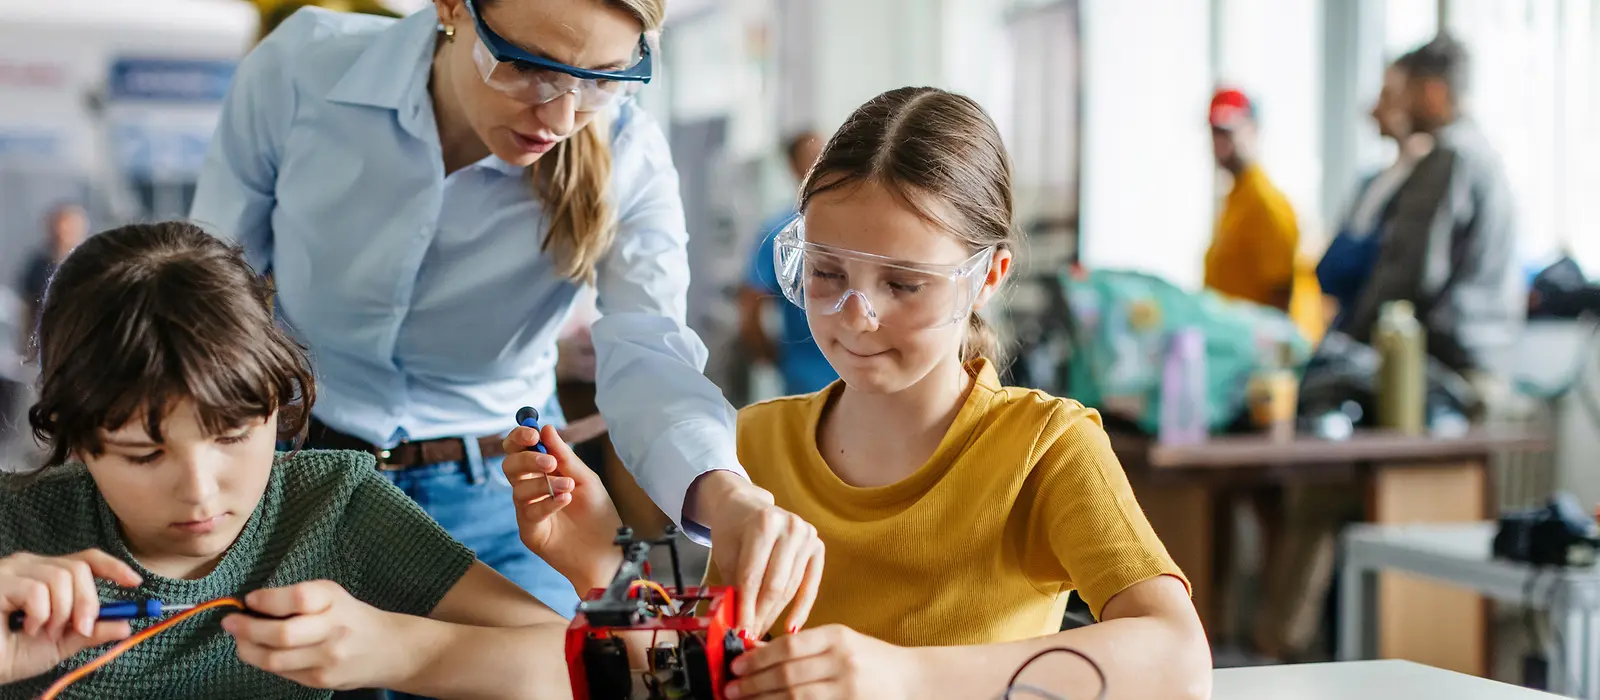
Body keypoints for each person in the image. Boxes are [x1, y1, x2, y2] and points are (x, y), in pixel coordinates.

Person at [507, 87, 1212, 700]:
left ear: (988, 278)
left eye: (903, 284)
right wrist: (600, 566)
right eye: (825, 273)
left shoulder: (1045, 447)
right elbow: (714, 675)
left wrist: (905, 680)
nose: (855, 314)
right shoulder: (752, 444)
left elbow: (1178, 661)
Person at [189, 0, 822, 635]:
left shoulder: (627, 149)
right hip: (299, 477)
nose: (561, 116)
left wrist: (727, 494)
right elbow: (207, 291)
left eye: (602, 78)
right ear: (450, 9)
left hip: (512, 498)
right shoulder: (304, 68)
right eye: (526, 65)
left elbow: (650, 351)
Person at [0, 222, 578, 699]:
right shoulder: (14, 528)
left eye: (230, 437)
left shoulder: (331, 507)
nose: (200, 492)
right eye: (146, 455)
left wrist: (392, 649)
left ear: (278, 400)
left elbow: (573, 662)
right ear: (75, 434)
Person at [1335, 34, 1523, 389]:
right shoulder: (1485, 153)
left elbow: (1413, 271)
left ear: (1433, 93)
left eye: (1407, 91)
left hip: (1451, 363)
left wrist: (1349, 341)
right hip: (1491, 354)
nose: (1400, 105)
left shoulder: (1450, 157)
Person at [1316, 62, 1435, 325]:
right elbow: (1331, 270)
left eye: (1387, 97)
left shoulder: (1433, 186)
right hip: (1356, 328)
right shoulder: (1372, 182)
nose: (1373, 111)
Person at [1203, 88, 1324, 343]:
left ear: (1253, 128)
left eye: (1229, 130)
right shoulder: (1236, 199)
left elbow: (1282, 295)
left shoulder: (1264, 203)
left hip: (1256, 352)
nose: (1221, 141)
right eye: (1215, 131)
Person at [738, 131, 838, 396]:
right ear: (794, 166)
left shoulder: (854, 225)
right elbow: (749, 304)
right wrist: (770, 357)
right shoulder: (780, 232)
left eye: (826, 153)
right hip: (805, 377)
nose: (822, 162)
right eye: (812, 156)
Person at [16, 204, 89, 352]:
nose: (62, 234)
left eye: (69, 229)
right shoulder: (38, 266)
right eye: (59, 229)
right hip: (46, 343)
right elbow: (27, 306)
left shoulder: (94, 264)